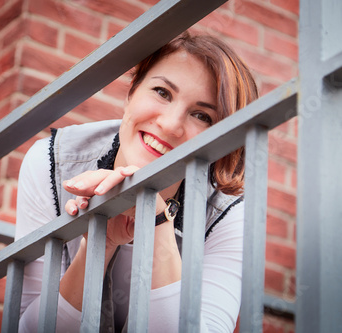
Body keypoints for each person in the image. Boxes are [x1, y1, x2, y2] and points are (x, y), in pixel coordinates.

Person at [15, 30, 258, 332]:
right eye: (162, 92)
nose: (170, 125)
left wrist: (155, 220)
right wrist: (97, 243)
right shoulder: (53, 162)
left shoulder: (229, 213)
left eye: (202, 116)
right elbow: (26, 327)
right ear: (132, 90)